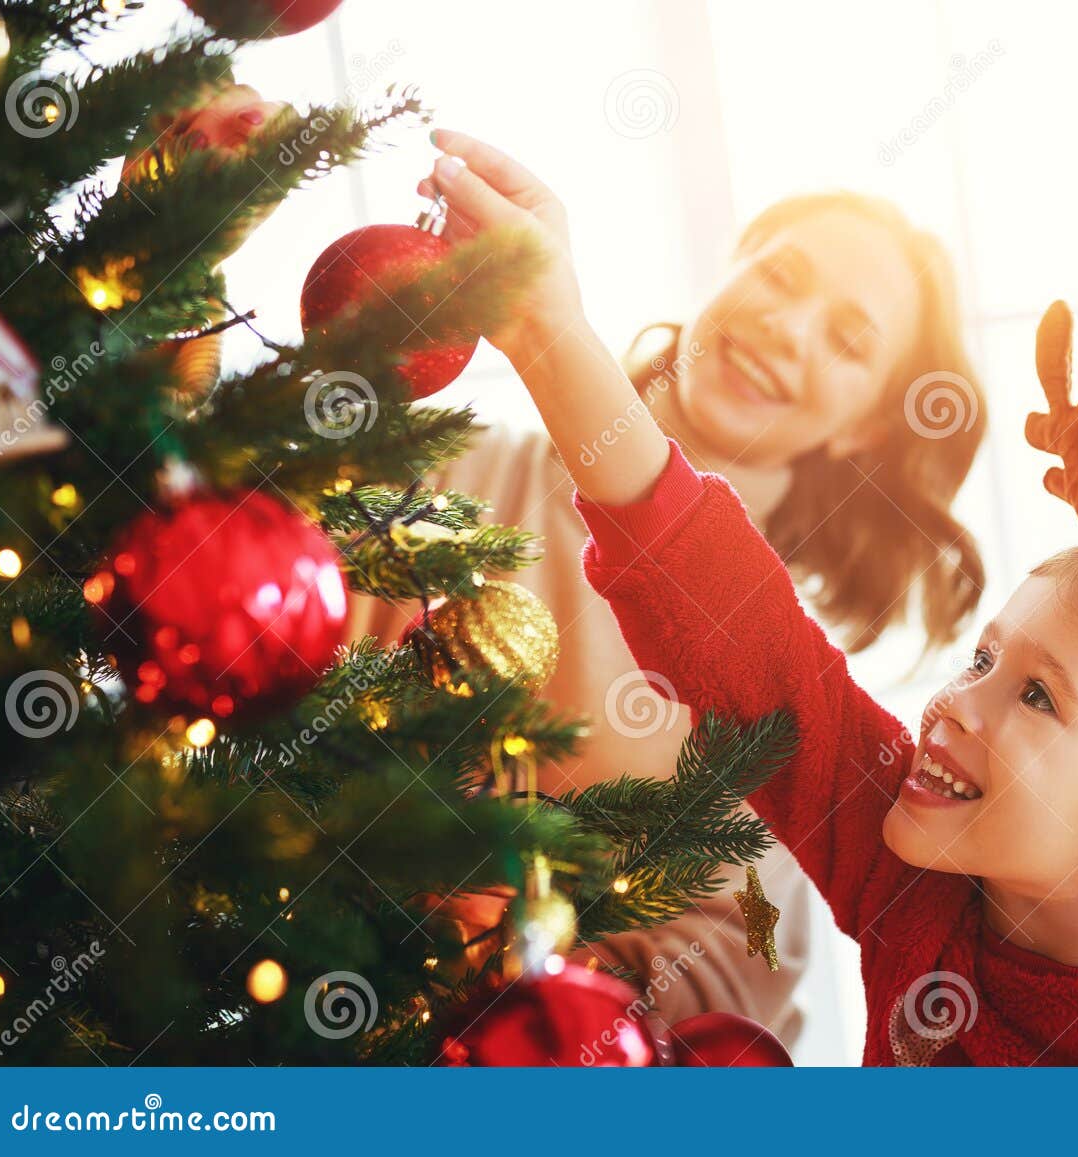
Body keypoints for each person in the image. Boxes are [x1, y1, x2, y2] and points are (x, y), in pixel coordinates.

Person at [420, 132, 1078, 1065]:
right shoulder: (912, 878)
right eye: (983, 660)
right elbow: (717, 603)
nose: (950, 702)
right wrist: (549, 329)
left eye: (1035, 696)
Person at [354, 130, 988, 1046]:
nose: (786, 325)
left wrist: (529, 968)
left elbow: (733, 977)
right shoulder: (462, 469)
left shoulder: (776, 689)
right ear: (726, 272)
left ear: (863, 429)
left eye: (848, 340)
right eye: (779, 276)